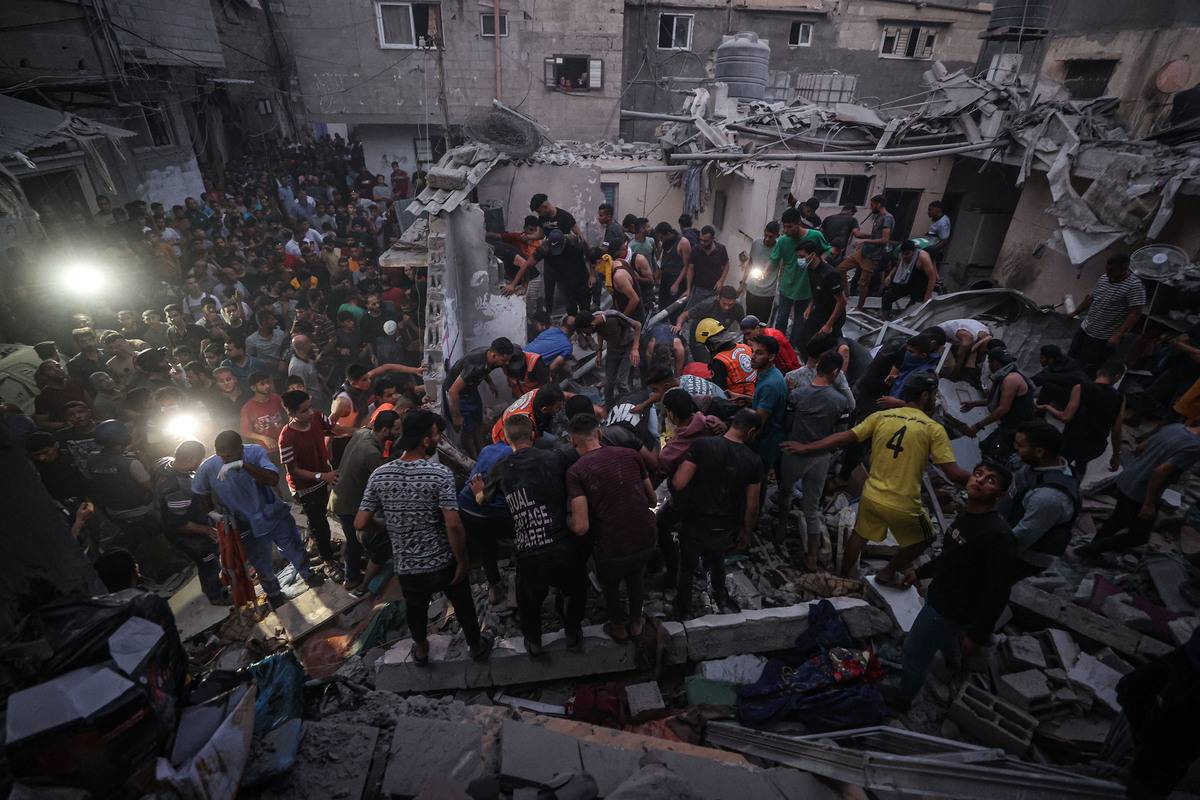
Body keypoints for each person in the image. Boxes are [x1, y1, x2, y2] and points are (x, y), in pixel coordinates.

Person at [791, 372, 969, 582]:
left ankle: (843, 577)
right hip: (904, 503)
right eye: (932, 395)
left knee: (859, 536)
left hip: (872, 495)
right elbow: (953, 473)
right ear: (923, 396)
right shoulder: (933, 429)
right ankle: (888, 572)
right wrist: (978, 481)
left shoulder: (882, 417)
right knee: (927, 537)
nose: (933, 399)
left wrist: (807, 447)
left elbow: (843, 438)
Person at [355, 410, 492, 662]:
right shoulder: (438, 475)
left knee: (415, 608)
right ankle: (476, 645)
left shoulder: (380, 475)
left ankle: (420, 650)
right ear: (425, 440)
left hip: (407, 566)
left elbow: (361, 522)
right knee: (462, 603)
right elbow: (453, 524)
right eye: (436, 435)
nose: (438, 440)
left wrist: (389, 526)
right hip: (442, 561)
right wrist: (462, 559)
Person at [896, 461, 1014, 708]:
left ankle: (901, 700)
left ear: (1000, 495)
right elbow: (950, 557)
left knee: (913, 653)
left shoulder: (997, 535)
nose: (980, 480)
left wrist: (978, 635)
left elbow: (998, 591)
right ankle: (954, 661)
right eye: (978, 473)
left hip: (949, 609)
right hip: (942, 596)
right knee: (948, 640)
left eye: (990, 480)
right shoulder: (968, 516)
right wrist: (920, 572)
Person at [475, 414, 585, 657]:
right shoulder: (554, 458)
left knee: (529, 601)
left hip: (529, 551)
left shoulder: (501, 467)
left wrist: (479, 491)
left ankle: (534, 643)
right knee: (575, 590)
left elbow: (483, 500)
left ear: (505, 438)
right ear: (533, 434)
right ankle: (573, 635)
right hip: (560, 544)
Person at [194, 430, 322, 607]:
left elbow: (272, 479)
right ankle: (274, 593)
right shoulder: (208, 467)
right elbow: (199, 492)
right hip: (245, 523)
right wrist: (212, 512)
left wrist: (243, 465)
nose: (223, 460)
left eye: (228, 456)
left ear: (240, 449)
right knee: (260, 562)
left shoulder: (255, 452)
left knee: (292, 546)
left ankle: (308, 574)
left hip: (272, 513)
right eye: (220, 456)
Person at [567, 413, 658, 641]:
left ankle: (618, 627)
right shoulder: (631, 455)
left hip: (613, 548)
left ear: (572, 441)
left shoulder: (576, 471)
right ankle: (637, 623)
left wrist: (566, 519)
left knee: (610, 584)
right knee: (636, 577)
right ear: (599, 433)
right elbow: (652, 501)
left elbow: (580, 527)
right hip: (646, 539)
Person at [671, 408, 763, 618]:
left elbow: (679, 482)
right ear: (750, 432)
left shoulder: (702, 445)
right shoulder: (754, 461)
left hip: (694, 521)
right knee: (717, 561)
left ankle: (682, 610)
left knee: (686, 568)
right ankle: (719, 602)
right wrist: (746, 532)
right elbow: (752, 506)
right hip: (724, 526)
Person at [1076, 421, 1200, 560]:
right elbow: (1159, 472)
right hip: (1140, 490)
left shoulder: (1175, 427)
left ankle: (1092, 551)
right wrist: (1149, 503)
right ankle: (1089, 550)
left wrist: (1147, 462)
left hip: (1127, 478)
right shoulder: (1194, 447)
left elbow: (1140, 448)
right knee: (1139, 536)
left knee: (1117, 519)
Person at [780, 351, 852, 570]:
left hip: (793, 452)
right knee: (812, 508)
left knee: (785, 494)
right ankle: (812, 557)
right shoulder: (841, 402)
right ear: (835, 372)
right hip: (821, 458)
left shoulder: (798, 395)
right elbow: (840, 435)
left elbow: (787, 423)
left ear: (817, 367)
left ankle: (780, 533)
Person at [280, 389, 350, 580]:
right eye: (304, 411)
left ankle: (316, 542)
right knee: (320, 523)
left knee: (321, 516)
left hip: (324, 475)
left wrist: (361, 431)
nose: (310, 413)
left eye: (309, 407)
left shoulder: (318, 417)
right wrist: (321, 476)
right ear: (292, 414)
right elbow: (293, 470)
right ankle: (328, 561)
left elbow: (334, 429)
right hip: (306, 486)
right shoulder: (286, 437)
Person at [330, 410, 401, 592]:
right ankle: (352, 579)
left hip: (341, 494)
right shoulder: (371, 453)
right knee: (355, 541)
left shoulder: (362, 433)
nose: (399, 432)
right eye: (396, 429)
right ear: (385, 430)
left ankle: (354, 566)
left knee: (352, 537)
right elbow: (384, 482)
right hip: (349, 502)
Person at [1002, 422, 1080, 580]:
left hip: (1022, 555)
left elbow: (1020, 537)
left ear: (1039, 452)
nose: (1015, 448)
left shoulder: (1048, 498)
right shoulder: (1040, 466)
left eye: (1020, 445)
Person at [153, 440, 227, 604]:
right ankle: (216, 595)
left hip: (181, 520)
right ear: (192, 459)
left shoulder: (164, 462)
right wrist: (207, 530)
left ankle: (216, 588)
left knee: (210, 559)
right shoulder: (179, 488)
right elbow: (178, 523)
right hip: (186, 535)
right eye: (200, 460)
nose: (200, 463)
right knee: (209, 562)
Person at [1039, 361, 1125, 479]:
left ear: (1098, 372)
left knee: (1058, 466)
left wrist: (1047, 407)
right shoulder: (1119, 398)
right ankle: (1073, 486)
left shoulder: (1081, 388)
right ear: (1118, 376)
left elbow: (1065, 417)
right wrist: (1116, 455)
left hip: (1072, 440)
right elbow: (1116, 430)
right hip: (1095, 446)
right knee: (1080, 465)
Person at [1068, 252, 1146, 375]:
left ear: (1124, 269)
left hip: (1102, 336)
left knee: (1087, 367)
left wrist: (1117, 335)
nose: (1108, 273)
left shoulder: (1134, 286)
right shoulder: (1104, 278)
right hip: (1086, 327)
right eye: (1107, 269)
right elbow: (1090, 298)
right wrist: (1074, 313)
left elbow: (1135, 313)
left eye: (1112, 270)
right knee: (1071, 356)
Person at [961, 348, 1035, 464]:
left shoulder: (1011, 379)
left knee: (995, 457)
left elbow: (1003, 408)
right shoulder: (1004, 376)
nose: (989, 365)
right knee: (985, 447)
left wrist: (978, 426)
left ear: (996, 362)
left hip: (1018, 426)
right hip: (1009, 424)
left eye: (990, 362)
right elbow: (994, 400)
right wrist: (973, 404)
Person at [444, 338, 516, 457]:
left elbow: (485, 370)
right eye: (504, 360)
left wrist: (491, 383)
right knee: (467, 431)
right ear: (493, 355)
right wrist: (456, 416)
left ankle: (482, 450)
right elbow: (453, 391)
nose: (506, 363)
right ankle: (475, 457)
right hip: (459, 395)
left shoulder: (492, 357)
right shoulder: (474, 366)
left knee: (477, 423)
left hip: (471, 390)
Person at [576, 309, 642, 408]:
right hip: (613, 350)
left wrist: (635, 348)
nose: (587, 335)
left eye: (586, 332)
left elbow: (638, 325)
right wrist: (599, 351)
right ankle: (609, 410)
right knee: (608, 385)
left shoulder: (613, 317)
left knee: (621, 383)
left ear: (591, 325)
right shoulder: (595, 321)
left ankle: (630, 406)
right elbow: (600, 332)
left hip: (627, 348)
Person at [839, 194, 894, 312]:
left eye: (872, 204)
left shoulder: (887, 218)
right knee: (840, 268)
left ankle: (859, 307)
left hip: (873, 256)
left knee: (863, 283)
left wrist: (864, 240)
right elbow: (875, 235)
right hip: (864, 251)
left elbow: (884, 239)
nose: (871, 207)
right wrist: (863, 238)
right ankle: (847, 295)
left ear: (879, 204)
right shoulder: (878, 217)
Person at [796, 240, 847, 357]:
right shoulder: (810, 269)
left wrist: (829, 325)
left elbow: (842, 301)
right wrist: (809, 307)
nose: (799, 260)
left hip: (833, 316)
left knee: (823, 346)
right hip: (819, 311)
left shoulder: (830, 274)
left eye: (801, 256)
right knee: (802, 342)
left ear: (812, 255)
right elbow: (816, 290)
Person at [745, 335, 788, 470]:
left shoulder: (770, 384)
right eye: (753, 351)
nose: (752, 356)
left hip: (766, 441)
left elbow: (758, 424)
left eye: (759, 353)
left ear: (771, 357)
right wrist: (746, 399)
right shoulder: (769, 373)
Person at [879, 239, 937, 318]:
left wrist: (927, 295)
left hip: (920, 282)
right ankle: (884, 319)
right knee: (887, 297)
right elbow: (897, 265)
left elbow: (932, 277)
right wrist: (889, 276)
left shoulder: (923, 257)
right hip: (906, 279)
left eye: (907, 254)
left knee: (912, 308)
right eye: (903, 254)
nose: (905, 256)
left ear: (913, 252)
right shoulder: (902, 256)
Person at [738, 222, 781, 321]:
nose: (767, 239)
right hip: (752, 289)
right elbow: (750, 263)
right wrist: (743, 282)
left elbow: (782, 268)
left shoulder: (779, 247)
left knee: (762, 323)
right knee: (749, 320)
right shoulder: (756, 243)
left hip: (767, 293)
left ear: (777, 236)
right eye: (765, 235)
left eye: (771, 237)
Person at [702, 321, 755, 399]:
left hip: (736, 401)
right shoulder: (744, 347)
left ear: (710, 343)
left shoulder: (719, 360)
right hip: (755, 393)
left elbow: (719, 392)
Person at [239, 371, 287, 459]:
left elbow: (287, 414)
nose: (267, 386)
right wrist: (264, 438)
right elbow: (245, 431)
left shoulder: (276, 398)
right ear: (253, 388)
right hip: (266, 451)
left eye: (268, 382)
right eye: (262, 384)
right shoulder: (248, 408)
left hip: (284, 444)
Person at [683, 226, 730, 312]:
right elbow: (690, 269)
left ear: (712, 239)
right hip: (699, 290)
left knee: (712, 314)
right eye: (700, 240)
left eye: (705, 241)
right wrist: (688, 289)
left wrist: (721, 281)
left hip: (714, 291)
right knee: (695, 313)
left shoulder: (721, 249)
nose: (702, 243)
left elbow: (726, 265)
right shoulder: (696, 250)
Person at [1031, 345, 1088, 411]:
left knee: (1048, 385)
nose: (1040, 360)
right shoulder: (1068, 362)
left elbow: (1033, 382)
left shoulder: (1054, 372)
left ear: (1051, 359)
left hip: (1077, 400)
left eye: (1042, 358)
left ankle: (1038, 410)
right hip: (1081, 394)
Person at [244, 309, 289, 384]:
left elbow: (286, 350)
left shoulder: (280, 334)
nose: (276, 321)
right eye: (272, 319)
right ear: (263, 322)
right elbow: (250, 359)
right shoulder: (251, 340)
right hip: (265, 379)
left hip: (283, 375)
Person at [656, 222, 690, 310]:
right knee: (662, 307)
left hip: (677, 280)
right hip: (665, 280)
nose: (661, 240)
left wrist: (676, 284)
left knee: (674, 310)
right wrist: (657, 277)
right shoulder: (665, 244)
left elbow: (686, 266)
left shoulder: (683, 243)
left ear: (668, 234)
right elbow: (661, 261)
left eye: (662, 238)